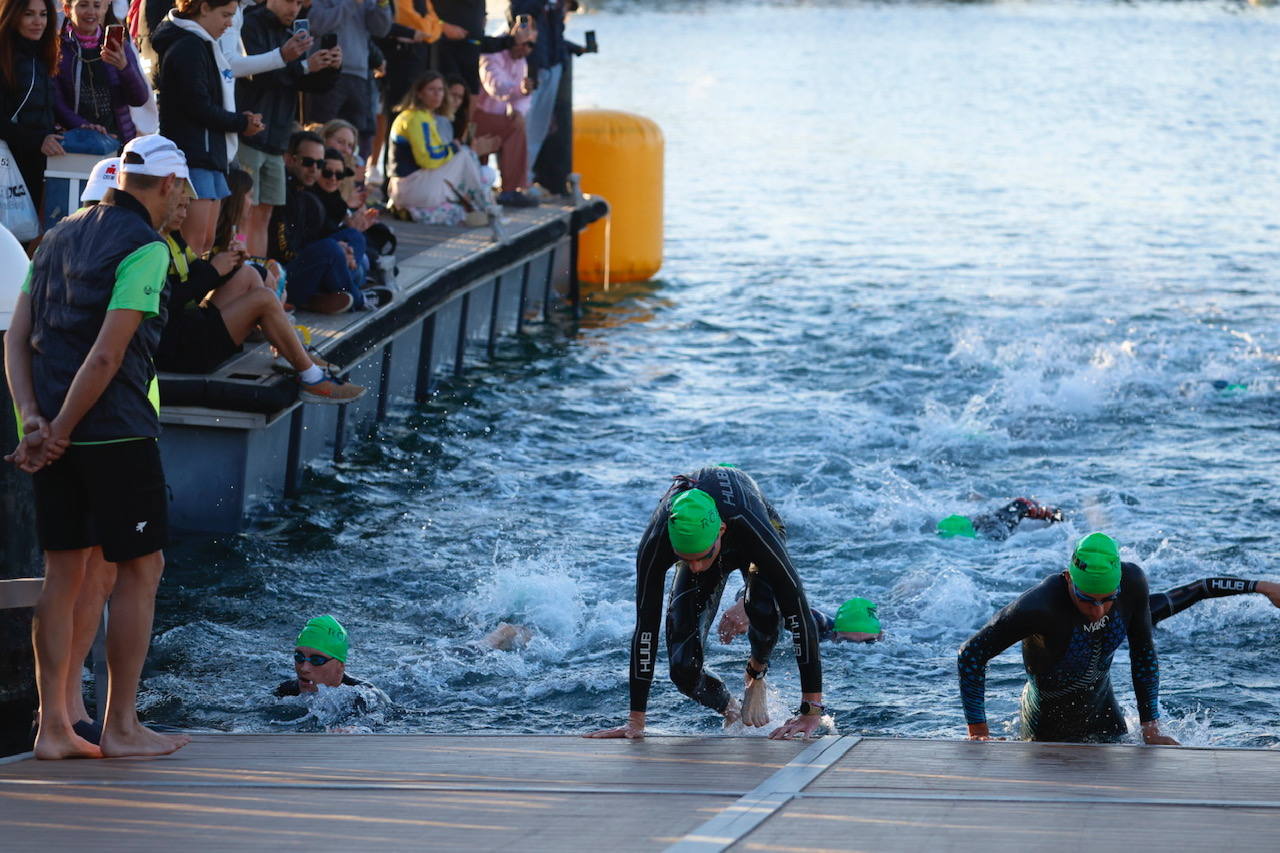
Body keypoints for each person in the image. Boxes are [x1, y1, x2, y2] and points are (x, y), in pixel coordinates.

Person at [3, 133, 195, 759]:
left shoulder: (57, 233)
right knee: (143, 570)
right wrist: (60, 428)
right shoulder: (147, 247)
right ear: (166, 185)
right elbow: (109, 353)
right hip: (114, 432)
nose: (184, 205)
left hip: (53, 434)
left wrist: (34, 419)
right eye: (183, 192)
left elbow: (18, 335)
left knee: (62, 573)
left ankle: (52, 729)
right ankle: (121, 726)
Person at [585, 465, 826, 741]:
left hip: (755, 528)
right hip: (701, 536)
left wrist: (810, 711)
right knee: (682, 668)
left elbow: (798, 612)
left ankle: (755, 673)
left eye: (702, 557)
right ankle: (731, 709)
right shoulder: (658, 540)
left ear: (721, 531)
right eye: (687, 560)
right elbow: (646, 628)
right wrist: (635, 721)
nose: (697, 568)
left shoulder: (750, 526)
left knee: (763, 606)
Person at [958, 532, 1178, 745]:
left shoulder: (1133, 583)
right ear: (1068, 578)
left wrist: (1151, 728)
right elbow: (971, 655)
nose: (1098, 611)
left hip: (1105, 714)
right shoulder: (1039, 606)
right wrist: (978, 732)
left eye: (1108, 599)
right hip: (1044, 726)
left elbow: (1143, 652)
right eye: (1086, 599)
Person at [156, 179, 366, 402]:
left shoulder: (173, 238)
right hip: (180, 351)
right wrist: (214, 271)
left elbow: (198, 278)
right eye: (179, 206)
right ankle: (312, 379)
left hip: (188, 328)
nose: (185, 213)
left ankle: (289, 350)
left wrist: (231, 266)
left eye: (187, 206)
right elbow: (167, 303)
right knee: (264, 298)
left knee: (249, 274)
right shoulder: (153, 246)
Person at [151, 0, 265, 254]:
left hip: (211, 155)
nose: (229, 23)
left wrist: (238, 119)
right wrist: (240, 123)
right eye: (225, 14)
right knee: (191, 244)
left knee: (206, 243)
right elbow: (198, 106)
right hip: (193, 156)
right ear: (203, 8)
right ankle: (181, 294)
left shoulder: (203, 44)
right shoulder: (187, 46)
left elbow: (209, 102)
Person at [270, 129, 366, 313]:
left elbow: (313, 237)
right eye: (308, 162)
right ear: (290, 160)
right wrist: (331, 251)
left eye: (319, 163)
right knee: (334, 252)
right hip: (283, 277)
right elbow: (282, 250)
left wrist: (341, 249)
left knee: (354, 237)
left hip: (306, 267)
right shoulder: (281, 192)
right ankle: (359, 299)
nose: (314, 169)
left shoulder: (303, 192)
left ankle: (321, 295)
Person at [388, 71, 493, 218]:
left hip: (407, 187)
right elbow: (428, 158)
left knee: (470, 158)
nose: (437, 94)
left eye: (440, 90)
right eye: (431, 90)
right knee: (464, 154)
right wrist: (453, 148)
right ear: (419, 93)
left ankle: (478, 205)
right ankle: (485, 206)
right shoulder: (417, 118)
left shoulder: (424, 116)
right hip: (411, 186)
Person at [0, 0, 63, 224]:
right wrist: (38, 140)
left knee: (25, 234)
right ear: (14, 16)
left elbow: (46, 106)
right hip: (9, 163)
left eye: (43, 14)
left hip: (35, 165)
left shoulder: (42, 55)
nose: (38, 22)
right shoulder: (6, 57)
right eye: (29, 14)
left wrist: (81, 126)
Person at [54, 0, 151, 144]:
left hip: (117, 140)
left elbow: (139, 99)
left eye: (97, 5)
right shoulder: (59, 48)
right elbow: (56, 101)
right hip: (75, 139)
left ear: (105, 8)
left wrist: (124, 67)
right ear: (68, 10)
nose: (91, 11)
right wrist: (84, 126)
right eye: (83, 5)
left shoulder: (118, 46)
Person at [303, 0, 390, 158]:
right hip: (326, 73)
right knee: (322, 132)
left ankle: (350, 179)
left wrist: (382, 5)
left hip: (360, 75)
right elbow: (316, 24)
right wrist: (352, 3)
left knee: (355, 139)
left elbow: (381, 29)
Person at [474, 18, 536, 207]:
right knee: (515, 129)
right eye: (523, 43)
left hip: (495, 117)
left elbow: (524, 98)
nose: (526, 49)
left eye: (531, 45)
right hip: (476, 115)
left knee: (516, 122)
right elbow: (496, 86)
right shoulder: (492, 53)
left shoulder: (520, 61)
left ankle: (509, 187)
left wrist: (518, 110)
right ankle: (510, 190)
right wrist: (519, 89)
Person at [937, 497, 1063, 541]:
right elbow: (1059, 516)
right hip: (987, 530)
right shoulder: (1020, 509)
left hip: (964, 525)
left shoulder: (1000, 515)